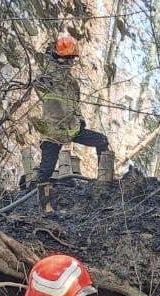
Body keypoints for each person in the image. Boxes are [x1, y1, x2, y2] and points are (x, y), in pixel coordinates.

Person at [30, 33, 116, 213]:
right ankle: (45, 207)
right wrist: (49, 64)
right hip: (53, 132)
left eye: (71, 58)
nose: (69, 62)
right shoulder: (47, 78)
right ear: (57, 56)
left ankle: (104, 185)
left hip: (72, 128)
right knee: (45, 172)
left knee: (101, 140)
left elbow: (75, 105)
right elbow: (38, 83)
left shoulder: (72, 83)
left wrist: (81, 120)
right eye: (66, 58)